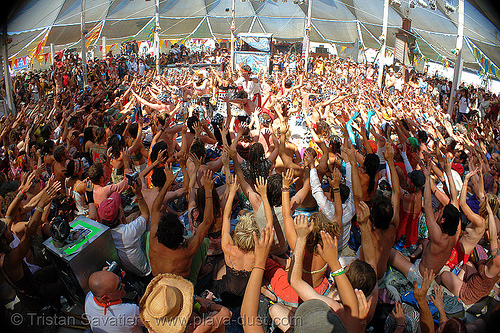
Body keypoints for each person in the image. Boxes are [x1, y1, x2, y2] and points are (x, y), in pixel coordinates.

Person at [148, 167, 214, 283]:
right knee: (203, 242)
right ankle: (201, 273)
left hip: (157, 284)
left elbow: (156, 209)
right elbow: (207, 221)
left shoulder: (153, 238)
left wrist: (167, 183)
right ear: (181, 237)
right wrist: (208, 192)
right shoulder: (186, 250)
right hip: (181, 289)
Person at [97, 177, 151, 278]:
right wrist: (138, 194)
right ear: (121, 214)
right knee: (150, 221)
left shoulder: (104, 235)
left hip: (129, 271)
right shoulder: (129, 231)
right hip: (146, 271)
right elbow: (146, 215)